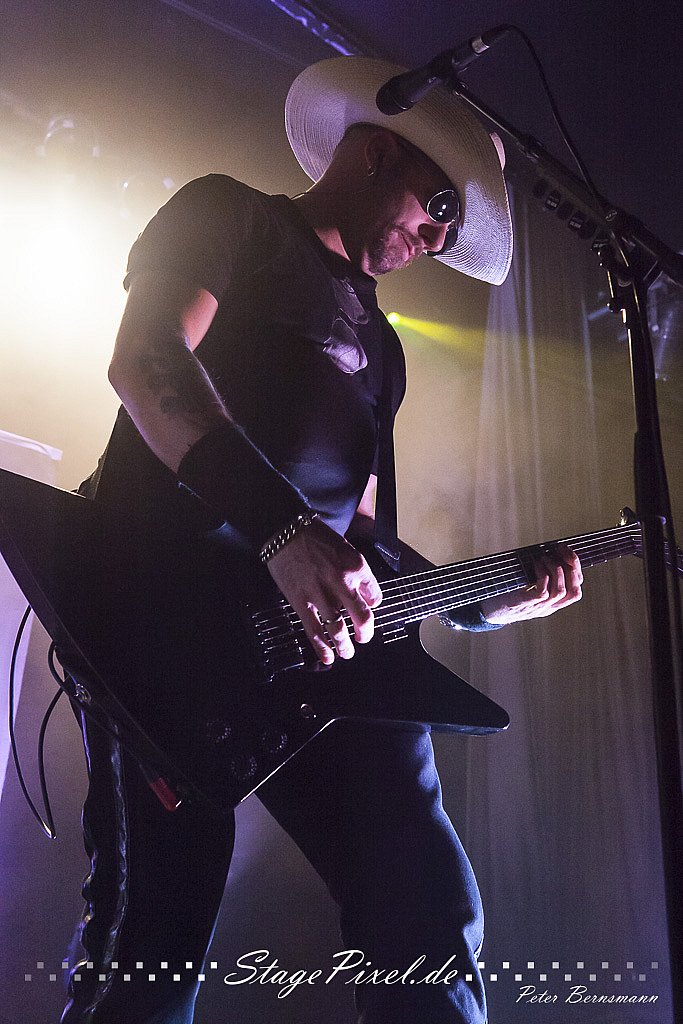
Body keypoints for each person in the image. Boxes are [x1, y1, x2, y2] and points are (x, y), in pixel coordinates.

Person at [61, 56, 583, 1024]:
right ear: (377, 152)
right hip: (161, 630)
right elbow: (146, 360)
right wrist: (284, 531)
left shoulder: (382, 345)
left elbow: (366, 539)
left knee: (424, 911)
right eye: (439, 207)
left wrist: (479, 599)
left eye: (451, 228)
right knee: (154, 941)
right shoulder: (230, 216)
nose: (438, 238)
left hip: (317, 660)